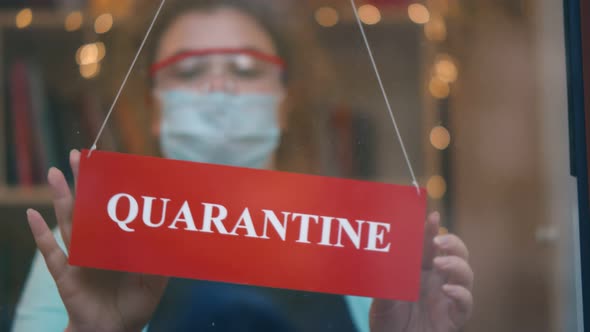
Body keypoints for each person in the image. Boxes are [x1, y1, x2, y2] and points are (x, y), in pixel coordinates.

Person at [13, 0, 474, 331]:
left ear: (283, 100)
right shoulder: (81, 247)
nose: (219, 87)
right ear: (153, 106)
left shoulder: (362, 244)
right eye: (189, 72)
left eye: (246, 69)